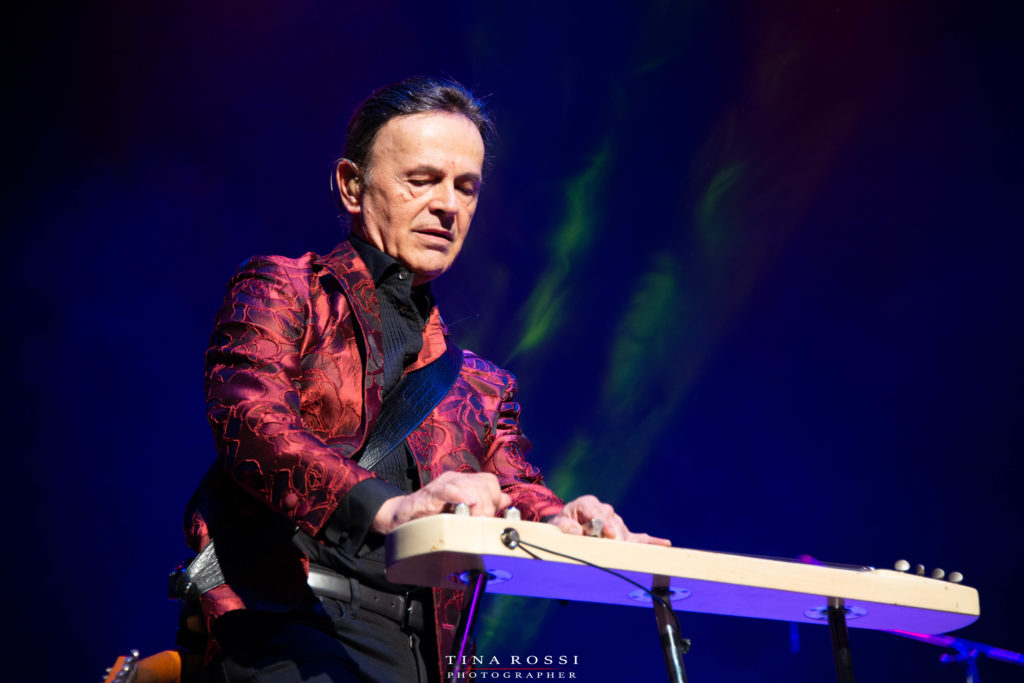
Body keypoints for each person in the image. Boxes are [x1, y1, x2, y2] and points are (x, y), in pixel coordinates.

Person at [183, 75, 668, 683]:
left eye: (467, 188)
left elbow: (517, 486)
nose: (448, 204)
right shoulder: (285, 290)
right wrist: (389, 509)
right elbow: (251, 424)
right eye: (423, 180)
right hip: (288, 622)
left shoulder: (483, 387)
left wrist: (565, 524)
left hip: (425, 652)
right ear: (352, 186)